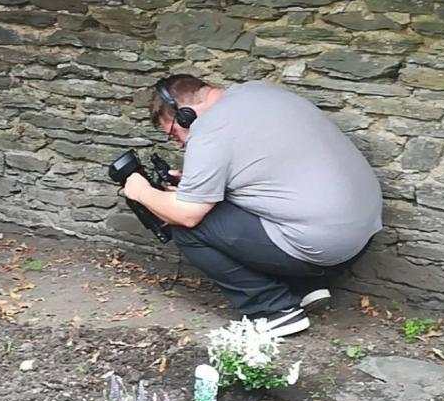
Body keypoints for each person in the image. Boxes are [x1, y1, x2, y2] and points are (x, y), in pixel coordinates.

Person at [122, 75, 383, 336]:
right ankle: (305, 288)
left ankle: (274, 311)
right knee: (232, 206)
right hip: (362, 233)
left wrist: (141, 191)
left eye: (173, 132)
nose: (177, 142)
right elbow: (263, 175)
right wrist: (198, 184)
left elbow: (187, 215)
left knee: (187, 228)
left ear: (185, 115)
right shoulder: (259, 92)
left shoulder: (210, 131)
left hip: (320, 246)